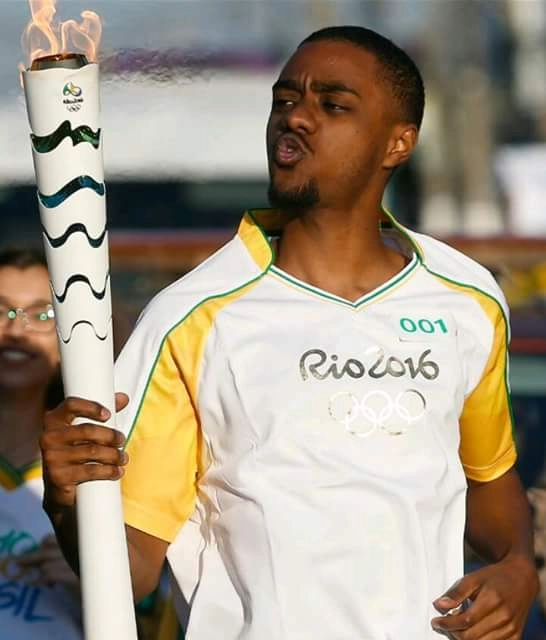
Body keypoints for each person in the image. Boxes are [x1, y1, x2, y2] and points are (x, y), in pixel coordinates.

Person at [41, 26, 538, 639]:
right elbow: (132, 566)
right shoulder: (192, 316)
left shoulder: (467, 298)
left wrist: (518, 565)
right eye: (285, 101)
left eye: (333, 105)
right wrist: (68, 503)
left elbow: (489, 478)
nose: (297, 118)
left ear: (398, 143)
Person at [0, 247, 82, 639]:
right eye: (1, 310)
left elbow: (161, 610)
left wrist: (99, 583)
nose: (16, 330)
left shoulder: (95, 462)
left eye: (42, 315)